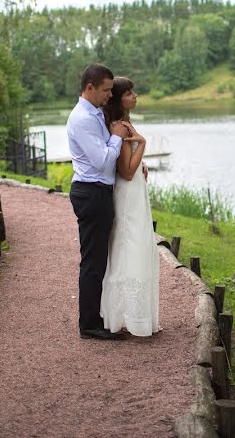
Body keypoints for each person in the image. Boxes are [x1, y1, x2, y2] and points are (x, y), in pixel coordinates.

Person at [67, 63, 133, 340]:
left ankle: (97, 317)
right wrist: (118, 138)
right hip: (92, 193)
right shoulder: (82, 119)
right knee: (93, 262)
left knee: (98, 260)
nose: (110, 95)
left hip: (98, 191)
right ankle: (90, 325)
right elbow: (102, 159)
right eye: (106, 90)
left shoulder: (94, 114)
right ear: (90, 87)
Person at [99, 77, 160, 337]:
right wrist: (142, 145)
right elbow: (125, 171)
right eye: (129, 93)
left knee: (136, 245)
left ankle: (134, 314)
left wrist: (140, 162)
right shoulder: (119, 127)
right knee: (129, 246)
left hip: (135, 191)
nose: (135, 96)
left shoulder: (126, 123)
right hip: (127, 194)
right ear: (118, 99)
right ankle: (126, 315)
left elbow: (131, 166)